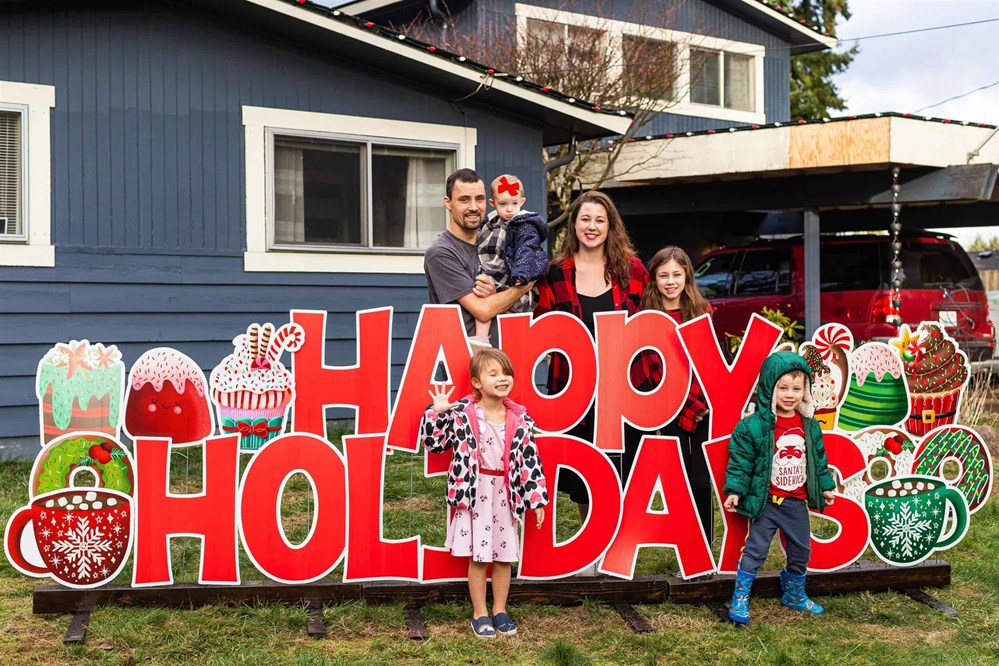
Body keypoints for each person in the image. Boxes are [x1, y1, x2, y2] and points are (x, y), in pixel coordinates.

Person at [535, 190, 654, 523]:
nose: (591, 226)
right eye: (585, 219)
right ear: (573, 225)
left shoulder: (632, 271)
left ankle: (619, 547)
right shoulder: (555, 273)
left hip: (625, 390)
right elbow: (539, 328)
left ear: (610, 226)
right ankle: (593, 544)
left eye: (599, 220)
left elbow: (653, 322)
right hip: (574, 391)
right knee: (583, 476)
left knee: (624, 468)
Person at [421, 348, 549, 638]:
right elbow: (435, 443)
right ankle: (480, 613)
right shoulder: (464, 415)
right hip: (475, 493)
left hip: (505, 494)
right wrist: (436, 412)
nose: (502, 379)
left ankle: (500, 610)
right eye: (494, 374)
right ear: (477, 383)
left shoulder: (520, 421)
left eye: (506, 373)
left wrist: (536, 498)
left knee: (504, 557)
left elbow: (530, 461)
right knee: (479, 558)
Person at [722, 351, 837, 625]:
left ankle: (794, 593)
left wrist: (825, 487)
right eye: (783, 388)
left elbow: (818, 460)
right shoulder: (753, 428)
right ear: (769, 389)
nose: (790, 395)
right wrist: (735, 491)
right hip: (767, 503)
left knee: (801, 549)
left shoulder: (809, 426)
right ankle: (741, 594)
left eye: (797, 389)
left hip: (795, 502)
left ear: (806, 391)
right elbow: (741, 462)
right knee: (755, 549)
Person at [640, 246, 714, 541]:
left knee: (701, 478)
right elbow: (649, 364)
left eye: (676, 274)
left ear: (687, 277)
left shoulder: (701, 310)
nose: (670, 281)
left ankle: (705, 545)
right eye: (663, 275)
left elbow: (708, 360)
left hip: (702, 404)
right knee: (679, 479)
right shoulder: (646, 315)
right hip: (667, 406)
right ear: (654, 280)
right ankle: (687, 543)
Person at [425, 169, 535, 347]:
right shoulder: (441, 253)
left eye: (480, 199)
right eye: (464, 199)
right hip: (464, 362)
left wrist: (496, 295)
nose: (474, 207)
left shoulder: (495, 238)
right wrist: (525, 285)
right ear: (448, 203)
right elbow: (483, 310)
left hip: (507, 357)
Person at [471, 174, 549, 348]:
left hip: (512, 277)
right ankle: (482, 336)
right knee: (481, 296)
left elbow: (526, 250)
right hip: (491, 273)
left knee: (508, 312)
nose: (509, 209)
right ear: (493, 204)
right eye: (503, 204)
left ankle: (515, 343)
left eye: (514, 203)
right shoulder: (490, 222)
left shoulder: (524, 226)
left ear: (522, 201)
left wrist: (522, 272)